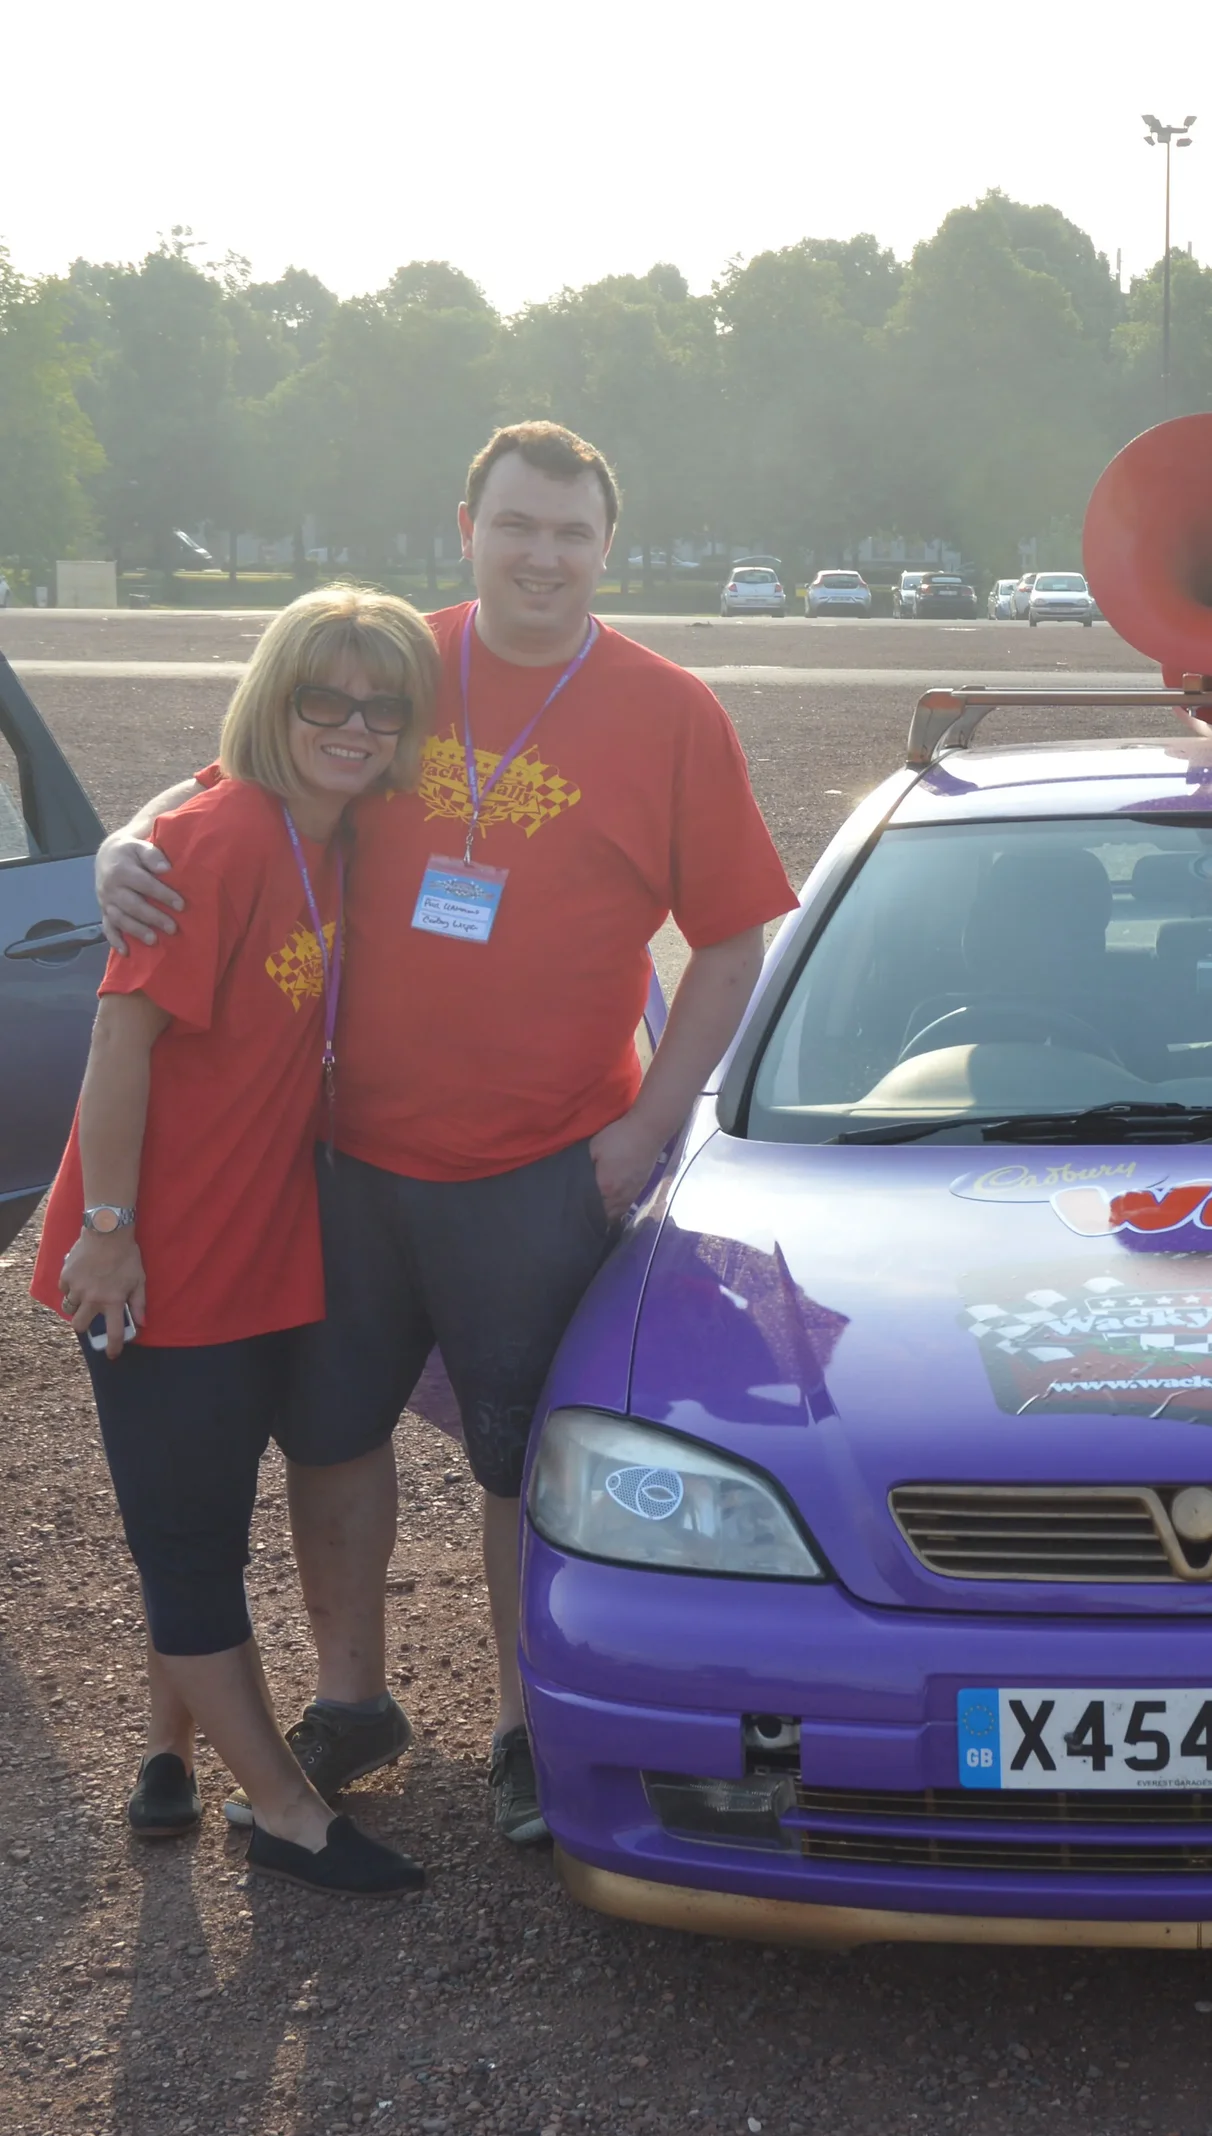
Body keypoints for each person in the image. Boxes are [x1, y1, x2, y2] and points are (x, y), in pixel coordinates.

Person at [95, 423, 800, 1846]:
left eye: (573, 532)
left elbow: (734, 941)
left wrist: (650, 1129)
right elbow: (241, 768)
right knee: (330, 1431)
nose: (544, 554)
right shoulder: (400, 659)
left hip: (549, 1160)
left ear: (609, 545)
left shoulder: (670, 712)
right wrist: (129, 833)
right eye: (518, 525)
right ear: (466, 524)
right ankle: (353, 1696)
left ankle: (525, 1721)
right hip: (348, 1155)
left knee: (523, 1454)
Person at [33, 586, 438, 1896]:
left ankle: (168, 1749)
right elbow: (118, 1039)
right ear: (279, 699)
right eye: (326, 697)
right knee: (191, 1545)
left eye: (381, 705)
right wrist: (107, 1228)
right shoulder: (216, 843)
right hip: (156, 1266)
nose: (355, 725)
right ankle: (282, 1813)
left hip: (251, 1245)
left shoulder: (325, 829)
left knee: (201, 1513)